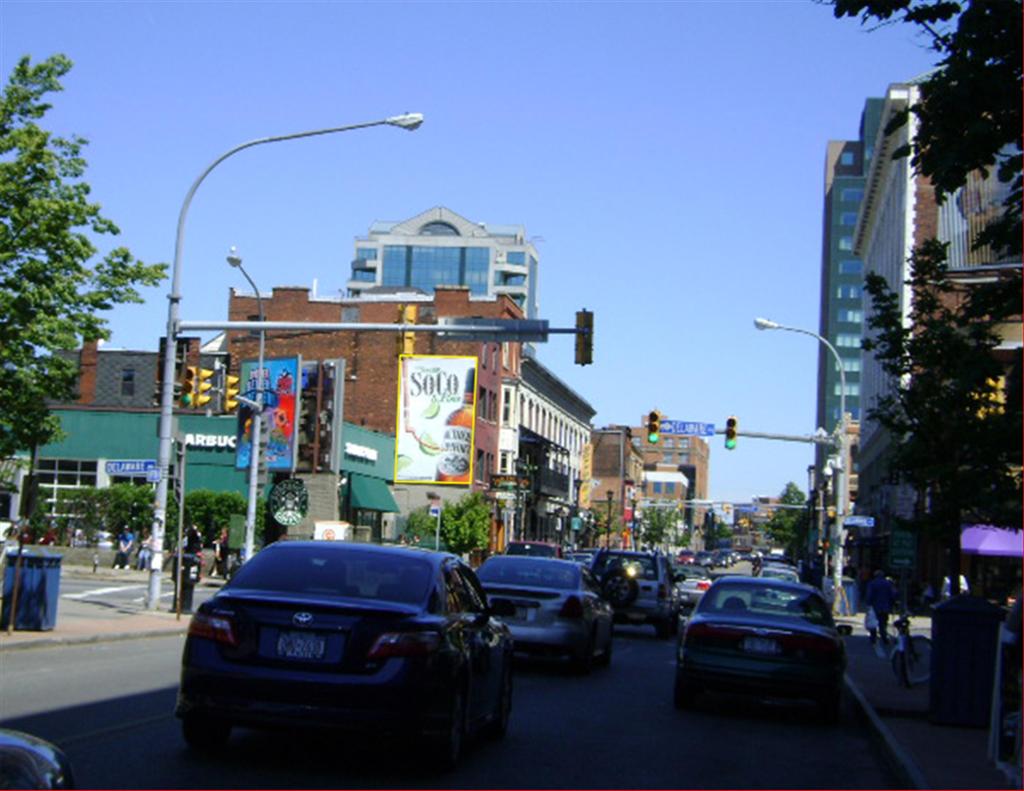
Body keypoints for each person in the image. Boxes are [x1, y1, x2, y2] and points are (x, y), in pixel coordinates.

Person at [864, 568, 898, 645]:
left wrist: (868, 604)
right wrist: (893, 602)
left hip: (875, 607)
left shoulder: (872, 583)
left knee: (873, 622)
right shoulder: (888, 583)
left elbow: (869, 595)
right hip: (885, 607)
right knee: (883, 623)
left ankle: (873, 638)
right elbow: (893, 594)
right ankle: (884, 637)